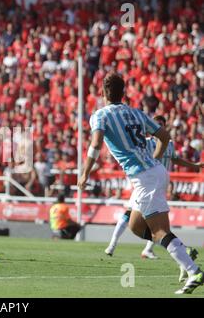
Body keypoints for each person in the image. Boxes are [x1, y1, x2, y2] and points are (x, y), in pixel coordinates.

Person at [78, 73, 203, 294]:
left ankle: (194, 271)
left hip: (145, 178)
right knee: (136, 226)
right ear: (123, 91)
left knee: (159, 232)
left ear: (102, 92)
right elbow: (164, 137)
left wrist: (85, 172)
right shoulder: (136, 113)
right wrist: (154, 158)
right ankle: (183, 251)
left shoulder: (100, 115)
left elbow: (96, 142)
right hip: (154, 173)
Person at [105, 115, 203, 275]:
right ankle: (113, 244)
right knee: (133, 217)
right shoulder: (145, 144)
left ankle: (179, 255)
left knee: (153, 223)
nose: (159, 128)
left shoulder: (169, 145)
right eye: (157, 125)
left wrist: (194, 165)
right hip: (145, 184)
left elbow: (175, 160)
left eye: (162, 125)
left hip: (159, 184)